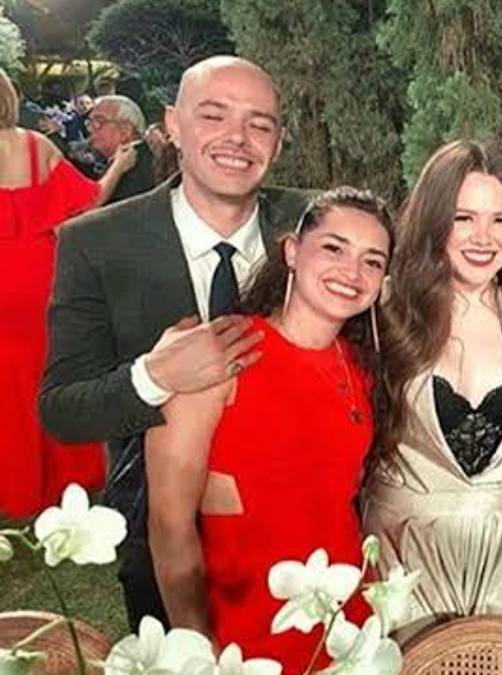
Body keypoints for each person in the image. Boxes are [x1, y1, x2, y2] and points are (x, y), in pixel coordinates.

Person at [40, 56, 307, 629]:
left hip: (305, 540)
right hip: (160, 538)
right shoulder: (97, 243)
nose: (237, 137)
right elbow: (62, 409)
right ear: (173, 125)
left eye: (259, 123)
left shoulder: (317, 228)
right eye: (213, 115)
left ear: (279, 141)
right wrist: (153, 377)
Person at [146, 187, 391, 672]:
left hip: (348, 628)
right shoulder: (219, 356)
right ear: (292, 251)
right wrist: (198, 650)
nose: (352, 272)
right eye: (334, 248)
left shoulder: (362, 368)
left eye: (372, 261)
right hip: (243, 638)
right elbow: (169, 526)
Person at [362, 140, 502, 639]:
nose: (483, 237)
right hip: (403, 557)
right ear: (433, 221)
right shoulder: (384, 312)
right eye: (463, 217)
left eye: (500, 220)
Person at [0, 66, 136, 519]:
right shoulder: (36, 146)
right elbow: (88, 203)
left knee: (7, 386)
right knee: (48, 374)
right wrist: (119, 167)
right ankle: (64, 482)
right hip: (40, 278)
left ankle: (16, 489)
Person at [87, 94, 156, 203]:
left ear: (125, 130)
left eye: (98, 122)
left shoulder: (136, 168)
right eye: (90, 122)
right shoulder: (136, 158)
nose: (90, 129)